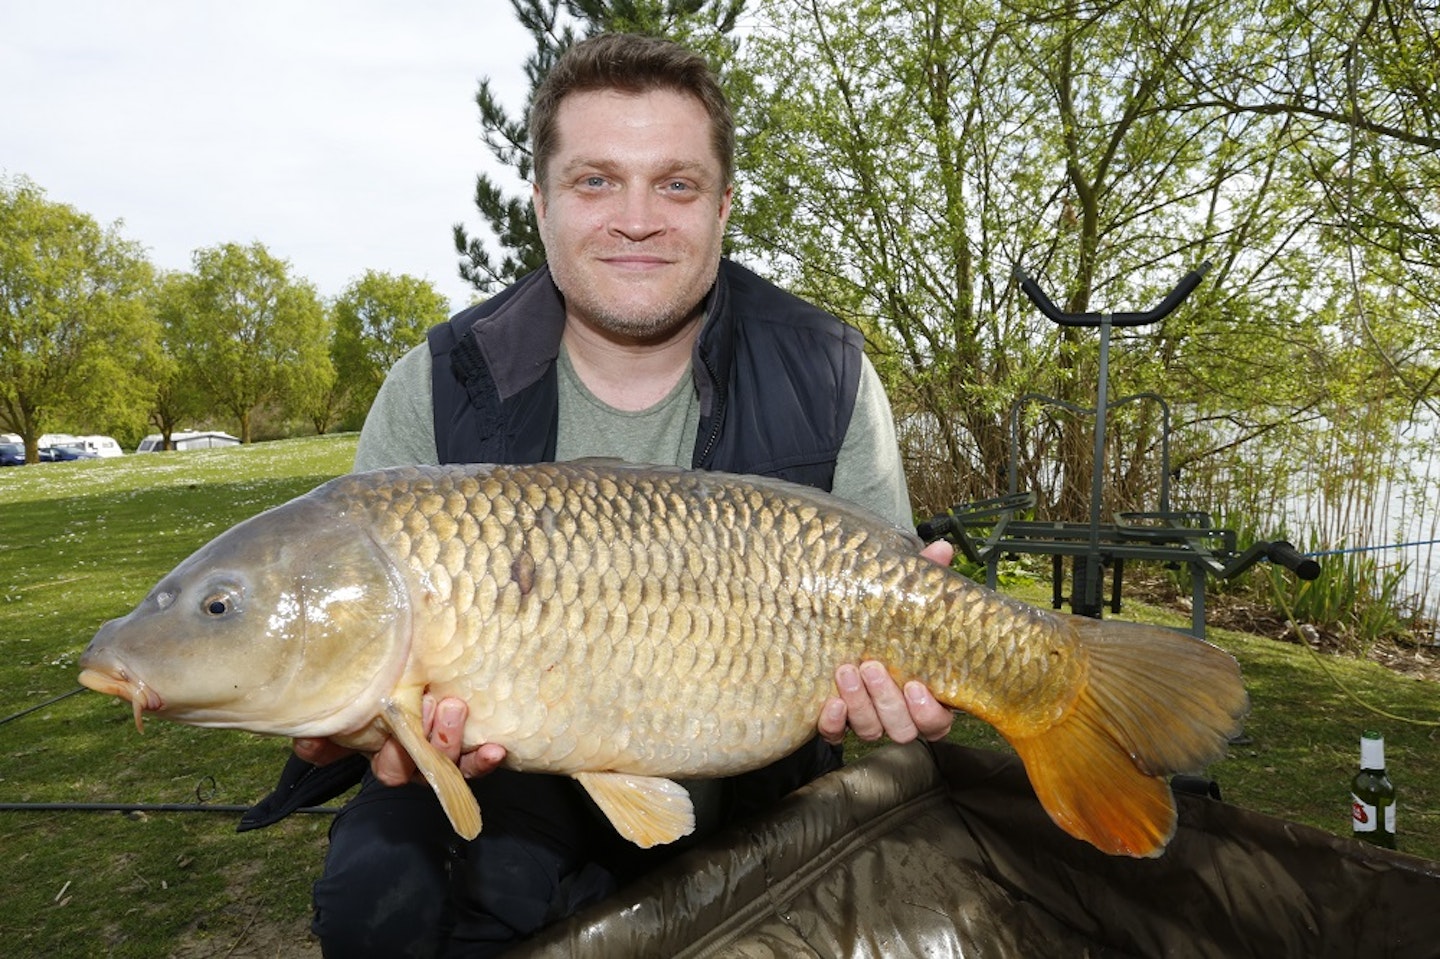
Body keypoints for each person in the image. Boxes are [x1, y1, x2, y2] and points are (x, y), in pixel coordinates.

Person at [250, 32, 954, 957]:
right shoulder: (436, 386)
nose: (636, 218)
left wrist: (915, 674)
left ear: (722, 206)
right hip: (514, 789)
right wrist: (377, 736)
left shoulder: (827, 369)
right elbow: (359, 666)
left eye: (675, 184)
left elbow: (889, 617)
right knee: (384, 890)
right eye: (594, 182)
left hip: (756, 773)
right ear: (539, 204)